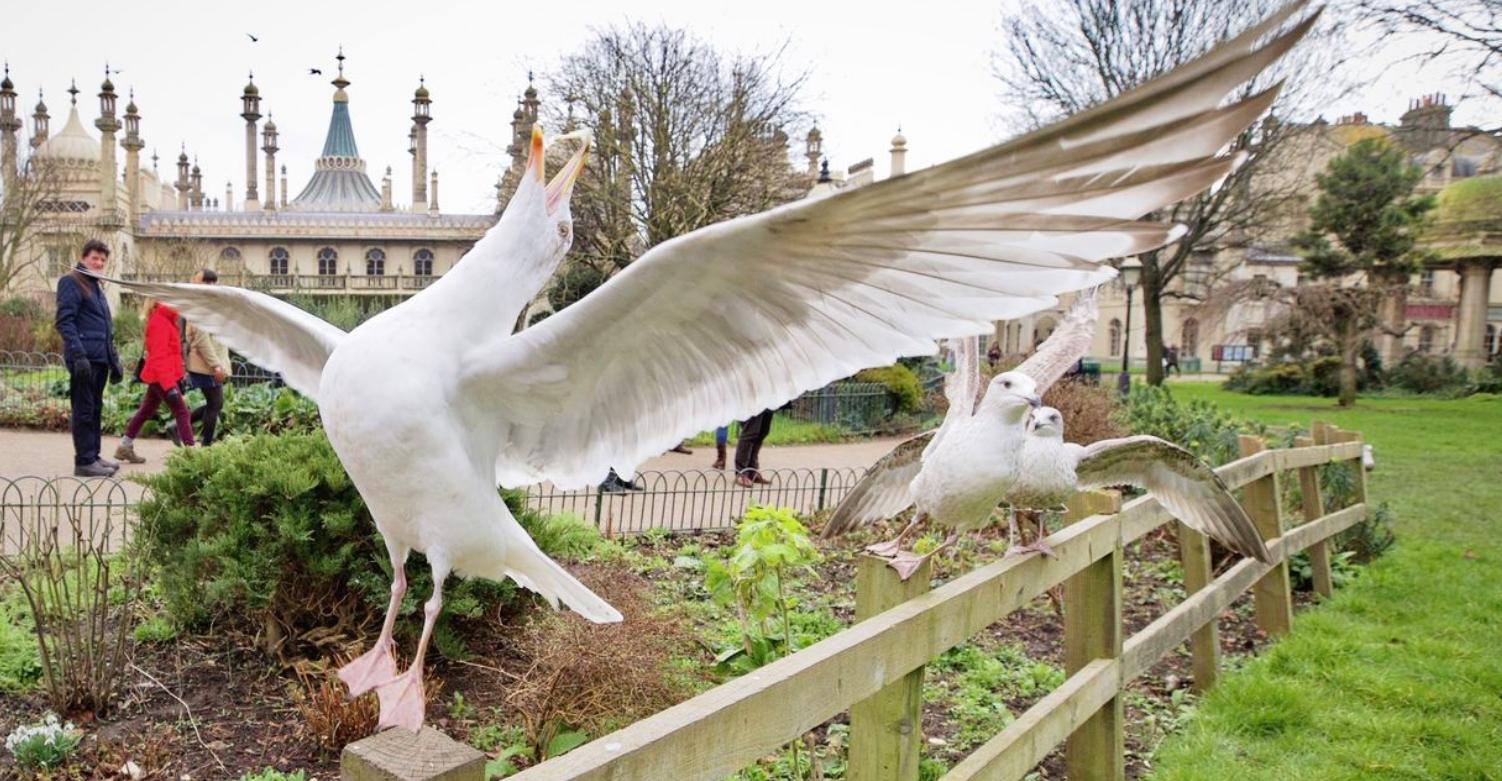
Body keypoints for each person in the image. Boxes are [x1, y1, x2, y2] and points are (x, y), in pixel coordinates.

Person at [55, 239, 124, 477]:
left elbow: (105, 327)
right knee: (83, 409)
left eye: (103, 260)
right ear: (84, 257)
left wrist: (113, 360)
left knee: (95, 409)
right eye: (95, 258)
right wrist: (78, 355)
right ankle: (83, 461)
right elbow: (65, 321)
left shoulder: (95, 286)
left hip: (99, 358)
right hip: (84, 359)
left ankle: (93, 455)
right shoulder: (71, 282)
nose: (99, 263)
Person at [114, 298, 195, 463]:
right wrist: (169, 385)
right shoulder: (160, 322)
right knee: (182, 412)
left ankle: (124, 446)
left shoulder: (166, 319)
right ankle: (191, 456)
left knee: (146, 410)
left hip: (161, 375)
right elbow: (159, 357)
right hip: (161, 376)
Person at [184, 269, 232, 445]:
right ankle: (206, 445)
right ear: (196, 282)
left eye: (213, 282)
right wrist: (216, 366)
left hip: (209, 362)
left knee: (215, 403)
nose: (211, 285)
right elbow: (202, 339)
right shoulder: (199, 306)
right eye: (206, 281)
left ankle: (179, 425)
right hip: (206, 364)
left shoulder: (208, 304)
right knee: (215, 403)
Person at [733, 409, 776, 487]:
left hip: (768, 399)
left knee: (763, 431)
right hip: (753, 400)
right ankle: (741, 472)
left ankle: (752, 471)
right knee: (751, 431)